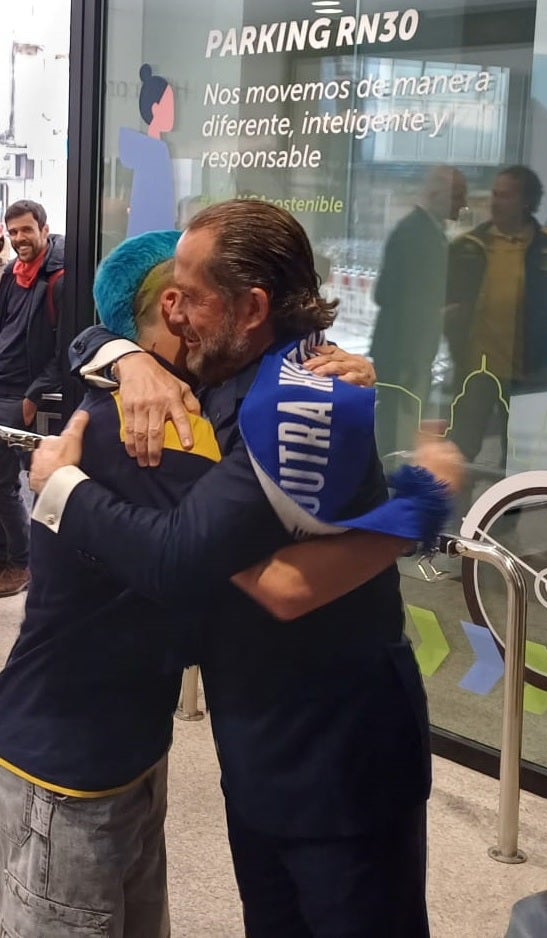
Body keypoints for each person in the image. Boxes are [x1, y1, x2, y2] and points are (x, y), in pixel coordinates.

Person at [0, 229, 457, 937]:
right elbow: (100, 323)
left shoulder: (304, 398)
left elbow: (273, 584)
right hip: (232, 745)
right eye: (169, 296)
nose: (179, 310)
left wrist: (58, 485)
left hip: (339, 756)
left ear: (250, 308)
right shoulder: (184, 389)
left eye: (193, 293)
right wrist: (116, 353)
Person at [445, 165, 547, 469]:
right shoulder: (468, 247)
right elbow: (446, 305)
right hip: (477, 372)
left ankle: (506, 516)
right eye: (494, 194)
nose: (495, 202)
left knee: (519, 459)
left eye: (505, 195)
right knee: (458, 453)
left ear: (526, 202)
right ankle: (452, 514)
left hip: (529, 375)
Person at [369, 165, 467, 457]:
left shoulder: (428, 231)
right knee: (397, 422)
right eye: (458, 195)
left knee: (402, 420)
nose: (463, 204)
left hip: (409, 351)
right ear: (437, 194)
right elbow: (388, 292)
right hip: (403, 351)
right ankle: (389, 480)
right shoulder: (415, 233)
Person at [0, 199, 64, 596]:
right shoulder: (13, 273)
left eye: (26, 230)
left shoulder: (59, 277)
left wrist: (34, 394)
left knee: (11, 480)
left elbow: (66, 345)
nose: (20, 238)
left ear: (43, 229)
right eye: (14, 231)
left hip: (21, 391)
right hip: (3, 381)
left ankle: (23, 563)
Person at [120, 64, 176, 237]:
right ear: (155, 109)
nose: (173, 113)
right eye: (169, 106)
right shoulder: (154, 153)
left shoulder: (148, 150)